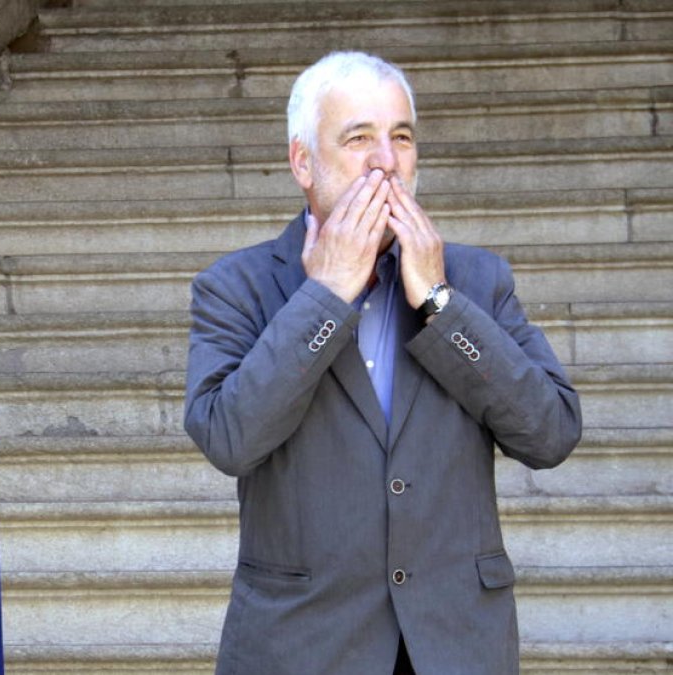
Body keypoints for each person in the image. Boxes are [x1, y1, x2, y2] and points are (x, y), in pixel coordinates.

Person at [183, 51, 582, 674]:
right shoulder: (235, 286)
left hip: (455, 646)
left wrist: (442, 305)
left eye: (401, 137)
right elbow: (229, 439)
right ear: (302, 162)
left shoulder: (476, 279)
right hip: (301, 649)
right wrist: (324, 299)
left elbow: (551, 432)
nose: (386, 161)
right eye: (358, 138)